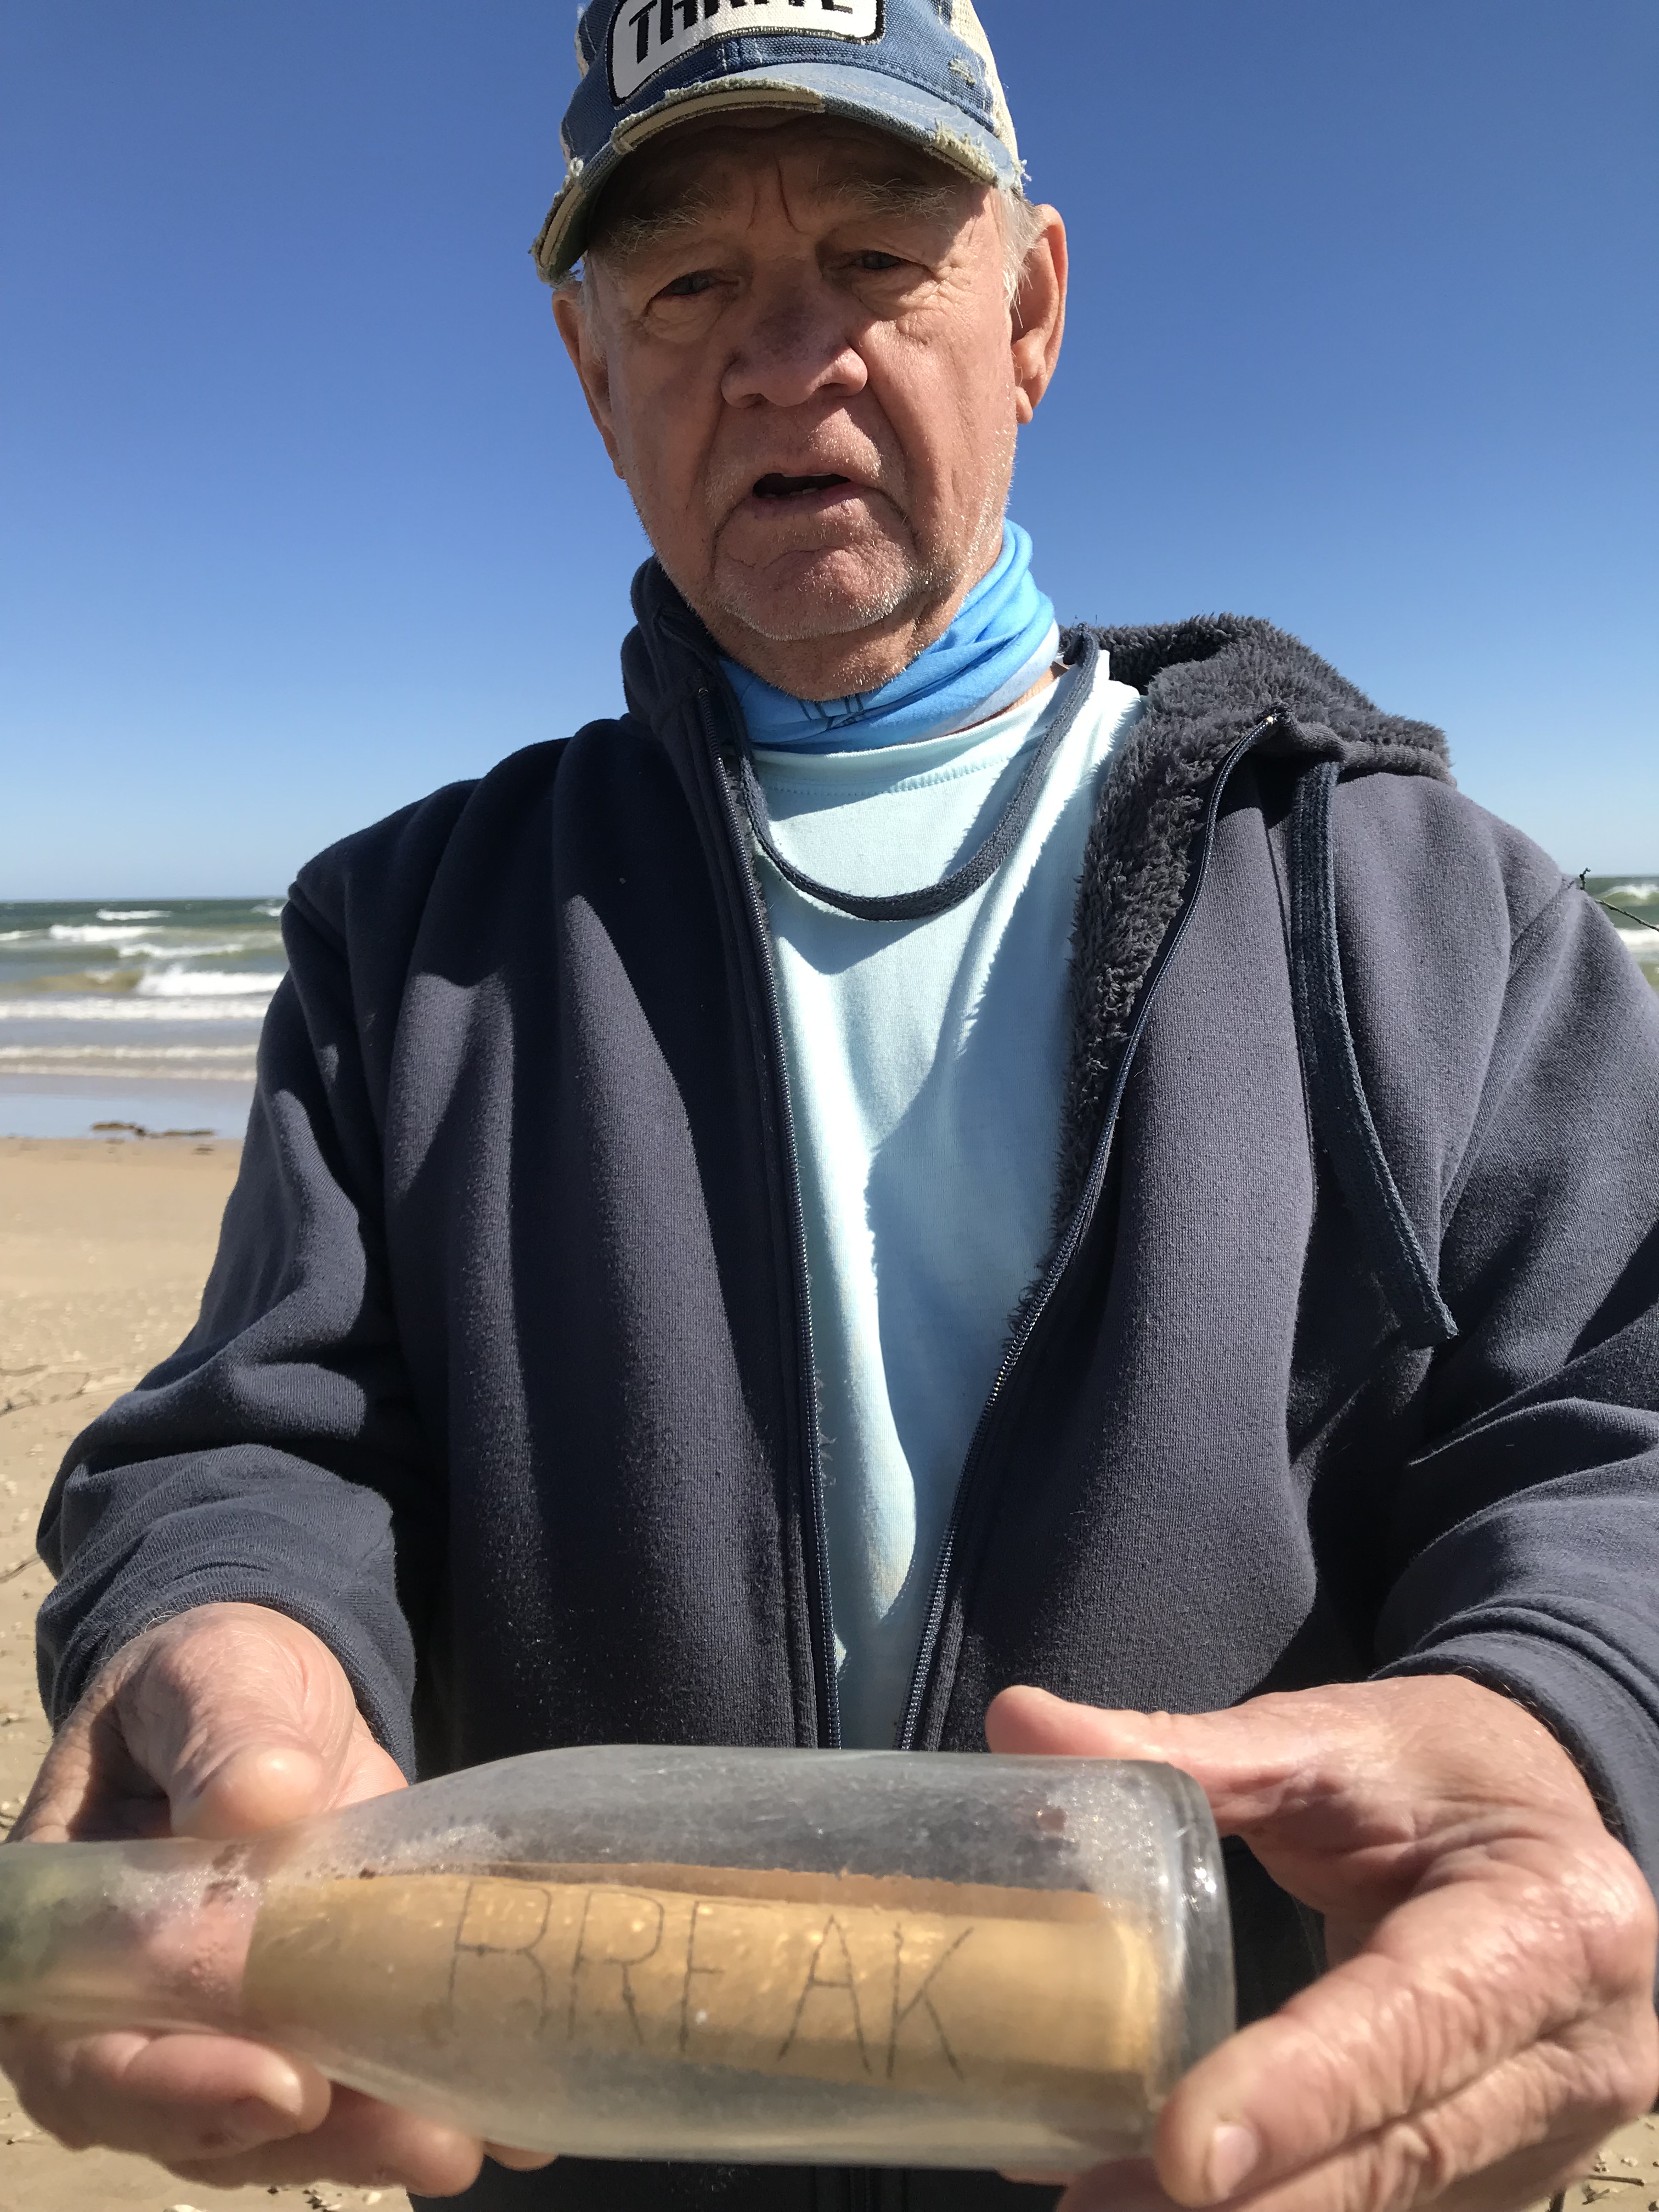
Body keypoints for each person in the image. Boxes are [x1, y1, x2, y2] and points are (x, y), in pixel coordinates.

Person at [4, 4, 1656, 2208]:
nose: (786, 362)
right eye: (687, 286)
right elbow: (263, 1441)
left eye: (877, 256)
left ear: (1035, 308)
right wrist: (231, 1631)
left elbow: (1616, 1437)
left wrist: (1560, 1719)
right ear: (597, 380)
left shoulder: (1426, 912)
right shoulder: (409, 940)